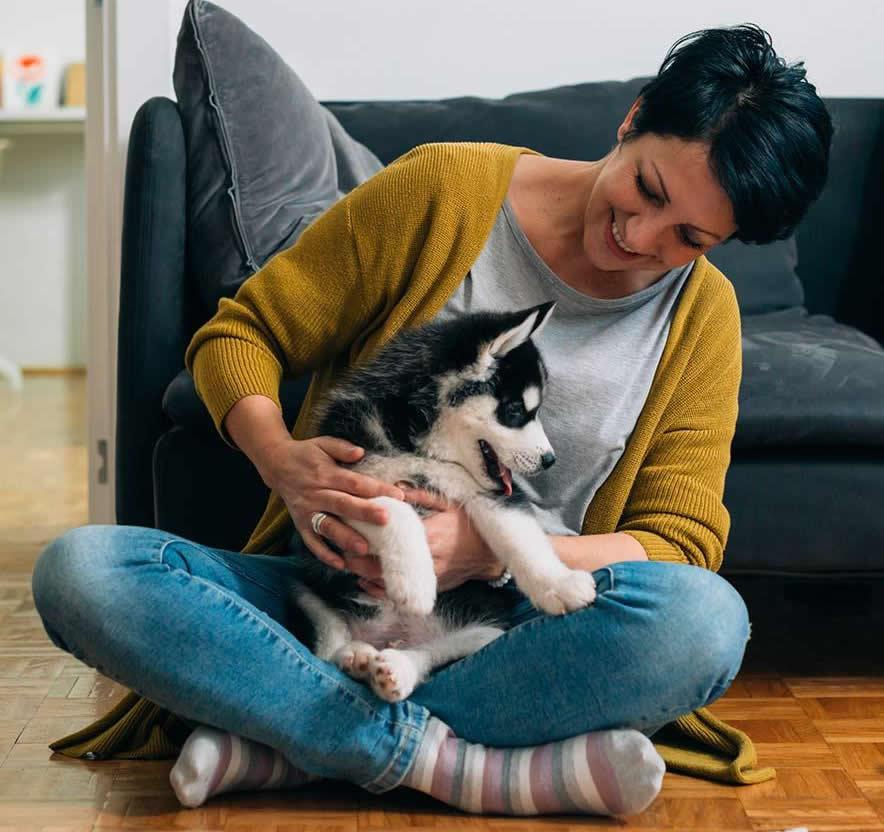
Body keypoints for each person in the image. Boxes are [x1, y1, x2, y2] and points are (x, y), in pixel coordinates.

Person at [31, 23, 831, 817]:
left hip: (507, 628)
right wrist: (279, 456)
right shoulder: (442, 191)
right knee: (85, 573)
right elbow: (241, 333)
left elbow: (682, 541)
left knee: (703, 624)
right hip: (327, 593)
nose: (638, 239)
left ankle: (288, 739)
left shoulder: (702, 320)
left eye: (689, 238)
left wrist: (488, 552)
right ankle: (469, 767)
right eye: (649, 191)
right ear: (633, 118)